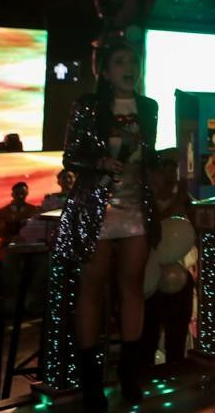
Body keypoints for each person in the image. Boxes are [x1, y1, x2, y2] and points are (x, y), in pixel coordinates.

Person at [47, 40, 160, 410]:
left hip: (134, 207)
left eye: (134, 61)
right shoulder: (89, 106)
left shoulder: (149, 107)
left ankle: (129, 372)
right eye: (121, 61)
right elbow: (70, 156)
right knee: (91, 288)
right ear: (106, 71)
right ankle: (91, 380)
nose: (130, 67)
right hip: (96, 205)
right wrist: (99, 163)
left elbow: (147, 157)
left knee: (132, 287)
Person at [139, 153, 195, 371]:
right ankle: (145, 364)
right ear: (152, 175)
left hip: (176, 271)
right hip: (149, 272)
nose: (171, 175)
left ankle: (176, 359)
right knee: (150, 318)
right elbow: (153, 228)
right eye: (165, 170)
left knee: (180, 312)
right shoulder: (144, 201)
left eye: (174, 170)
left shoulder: (182, 199)